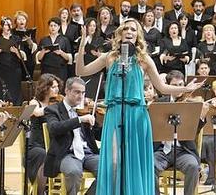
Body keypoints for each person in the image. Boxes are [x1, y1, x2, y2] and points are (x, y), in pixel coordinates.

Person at [75, 18, 202, 194]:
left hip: (136, 115)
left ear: (138, 35)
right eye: (126, 28)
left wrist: (185, 88)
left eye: (133, 29)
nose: (129, 32)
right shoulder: (109, 57)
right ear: (120, 33)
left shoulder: (144, 59)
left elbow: (162, 87)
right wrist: (82, 44)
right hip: (113, 113)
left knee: (134, 162)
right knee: (113, 162)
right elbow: (80, 71)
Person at [153, 71, 208, 195]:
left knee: (193, 166)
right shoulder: (159, 103)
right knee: (149, 167)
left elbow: (194, 130)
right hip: (161, 150)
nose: (179, 88)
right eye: (175, 85)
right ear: (168, 86)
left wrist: (202, 116)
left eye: (181, 84)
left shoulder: (189, 103)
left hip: (183, 151)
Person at [43, 77, 100, 195]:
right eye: (77, 92)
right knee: (73, 171)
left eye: (83, 93)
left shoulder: (84, 110)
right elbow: (54, 128)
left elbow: (98, 133)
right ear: (67, 91)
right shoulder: (53, 109)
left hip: (87, 153)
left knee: (110, 168)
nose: (80, 96)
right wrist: (79, 120)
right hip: (66, 154)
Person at [25, 73, 61, 195]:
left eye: (57, 86)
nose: (57, 89)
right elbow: (36, 112)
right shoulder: (34, 102)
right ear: (45, 88)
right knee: (43, 154)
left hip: (52, 144)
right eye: (53, 87)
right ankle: (40, 192)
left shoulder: (56, 103)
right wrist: (56, 108)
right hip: (36, 145)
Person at [0, 16, 25, 103]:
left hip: (14, 70)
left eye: (9, 24)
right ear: (1, 27)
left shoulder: (17, 39)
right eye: (5, 24)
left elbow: (22, 57)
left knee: (14, 93)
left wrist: (16, 51)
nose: (8, 26)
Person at [36, 17, 73, 83]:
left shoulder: (64, 40)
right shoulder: (44, 40)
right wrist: (43, 52)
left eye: (55, 26)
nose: (53, 28)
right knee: (46, 88)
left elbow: (68, 58)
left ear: (59, 27)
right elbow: (39, 58)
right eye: (51, 26)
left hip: (60, 69)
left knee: (60, 88)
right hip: (46, 69)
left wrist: (61, 53)